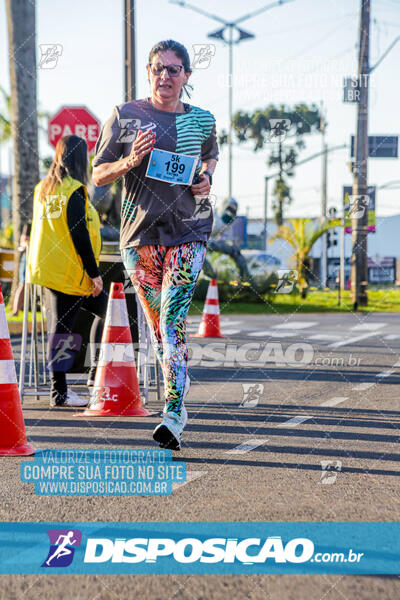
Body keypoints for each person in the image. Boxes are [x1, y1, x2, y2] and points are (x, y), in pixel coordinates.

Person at [92, 39, 218, 450]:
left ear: (186, 76)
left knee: (171, 320)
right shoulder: (125, 115)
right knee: (159, 331)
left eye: (174, 69)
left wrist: (207, 179)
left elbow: (209, 159)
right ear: (149, 72)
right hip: (140, 237)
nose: (165, 76)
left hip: (189, 230)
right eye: (158, 68)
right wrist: (130, 161)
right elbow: (98, 175)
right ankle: (177, 397)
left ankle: (173, 413)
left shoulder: (201, 119)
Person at [27, 135, 107, 407]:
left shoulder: (43, 189)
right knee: (63, 331)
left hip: (49, 267)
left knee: (104, 313)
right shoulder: (72, 190)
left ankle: (93, 375)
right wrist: (94, 272)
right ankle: (59, 392)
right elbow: (78, 233)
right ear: (80, 159)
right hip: (70, 271)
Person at [11, 223, 31, 317]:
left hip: (38, 259)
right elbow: (23, 242)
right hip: (27, 257)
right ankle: (15, 311)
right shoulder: (29, 225)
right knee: (23, 285)